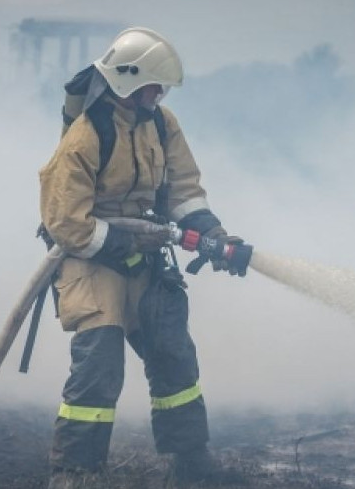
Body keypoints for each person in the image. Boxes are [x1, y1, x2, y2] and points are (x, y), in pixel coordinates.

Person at [39, 27, 248, 488]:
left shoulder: (161, 122)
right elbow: (66, 222)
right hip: (91, 261)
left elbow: (184, 189)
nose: (159, 94)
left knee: (174, 355)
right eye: (153, 85)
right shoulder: (86, 136)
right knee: (98, 369)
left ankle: (191, 464)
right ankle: (75, 474)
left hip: (146, 255)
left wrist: (213, 235)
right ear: (126, 83)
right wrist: (126, 242)